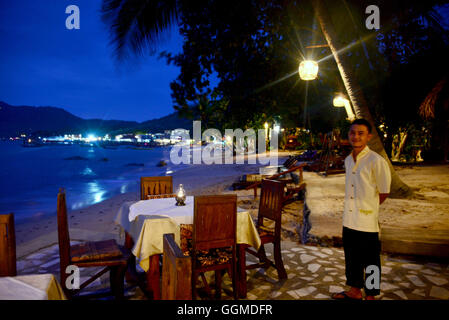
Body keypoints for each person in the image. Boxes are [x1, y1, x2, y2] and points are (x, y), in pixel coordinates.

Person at [332, 118, 391, 300]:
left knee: (371, 261)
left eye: (360, 133)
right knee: (352, 258)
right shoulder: (349, 160)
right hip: (349, 220)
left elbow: (384, 192)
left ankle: (371, 295)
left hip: (367, 222)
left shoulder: (376, 161)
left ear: (368, 136)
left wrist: (368, 208)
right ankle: (354, 290)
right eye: (352, 133)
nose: (355, 137)